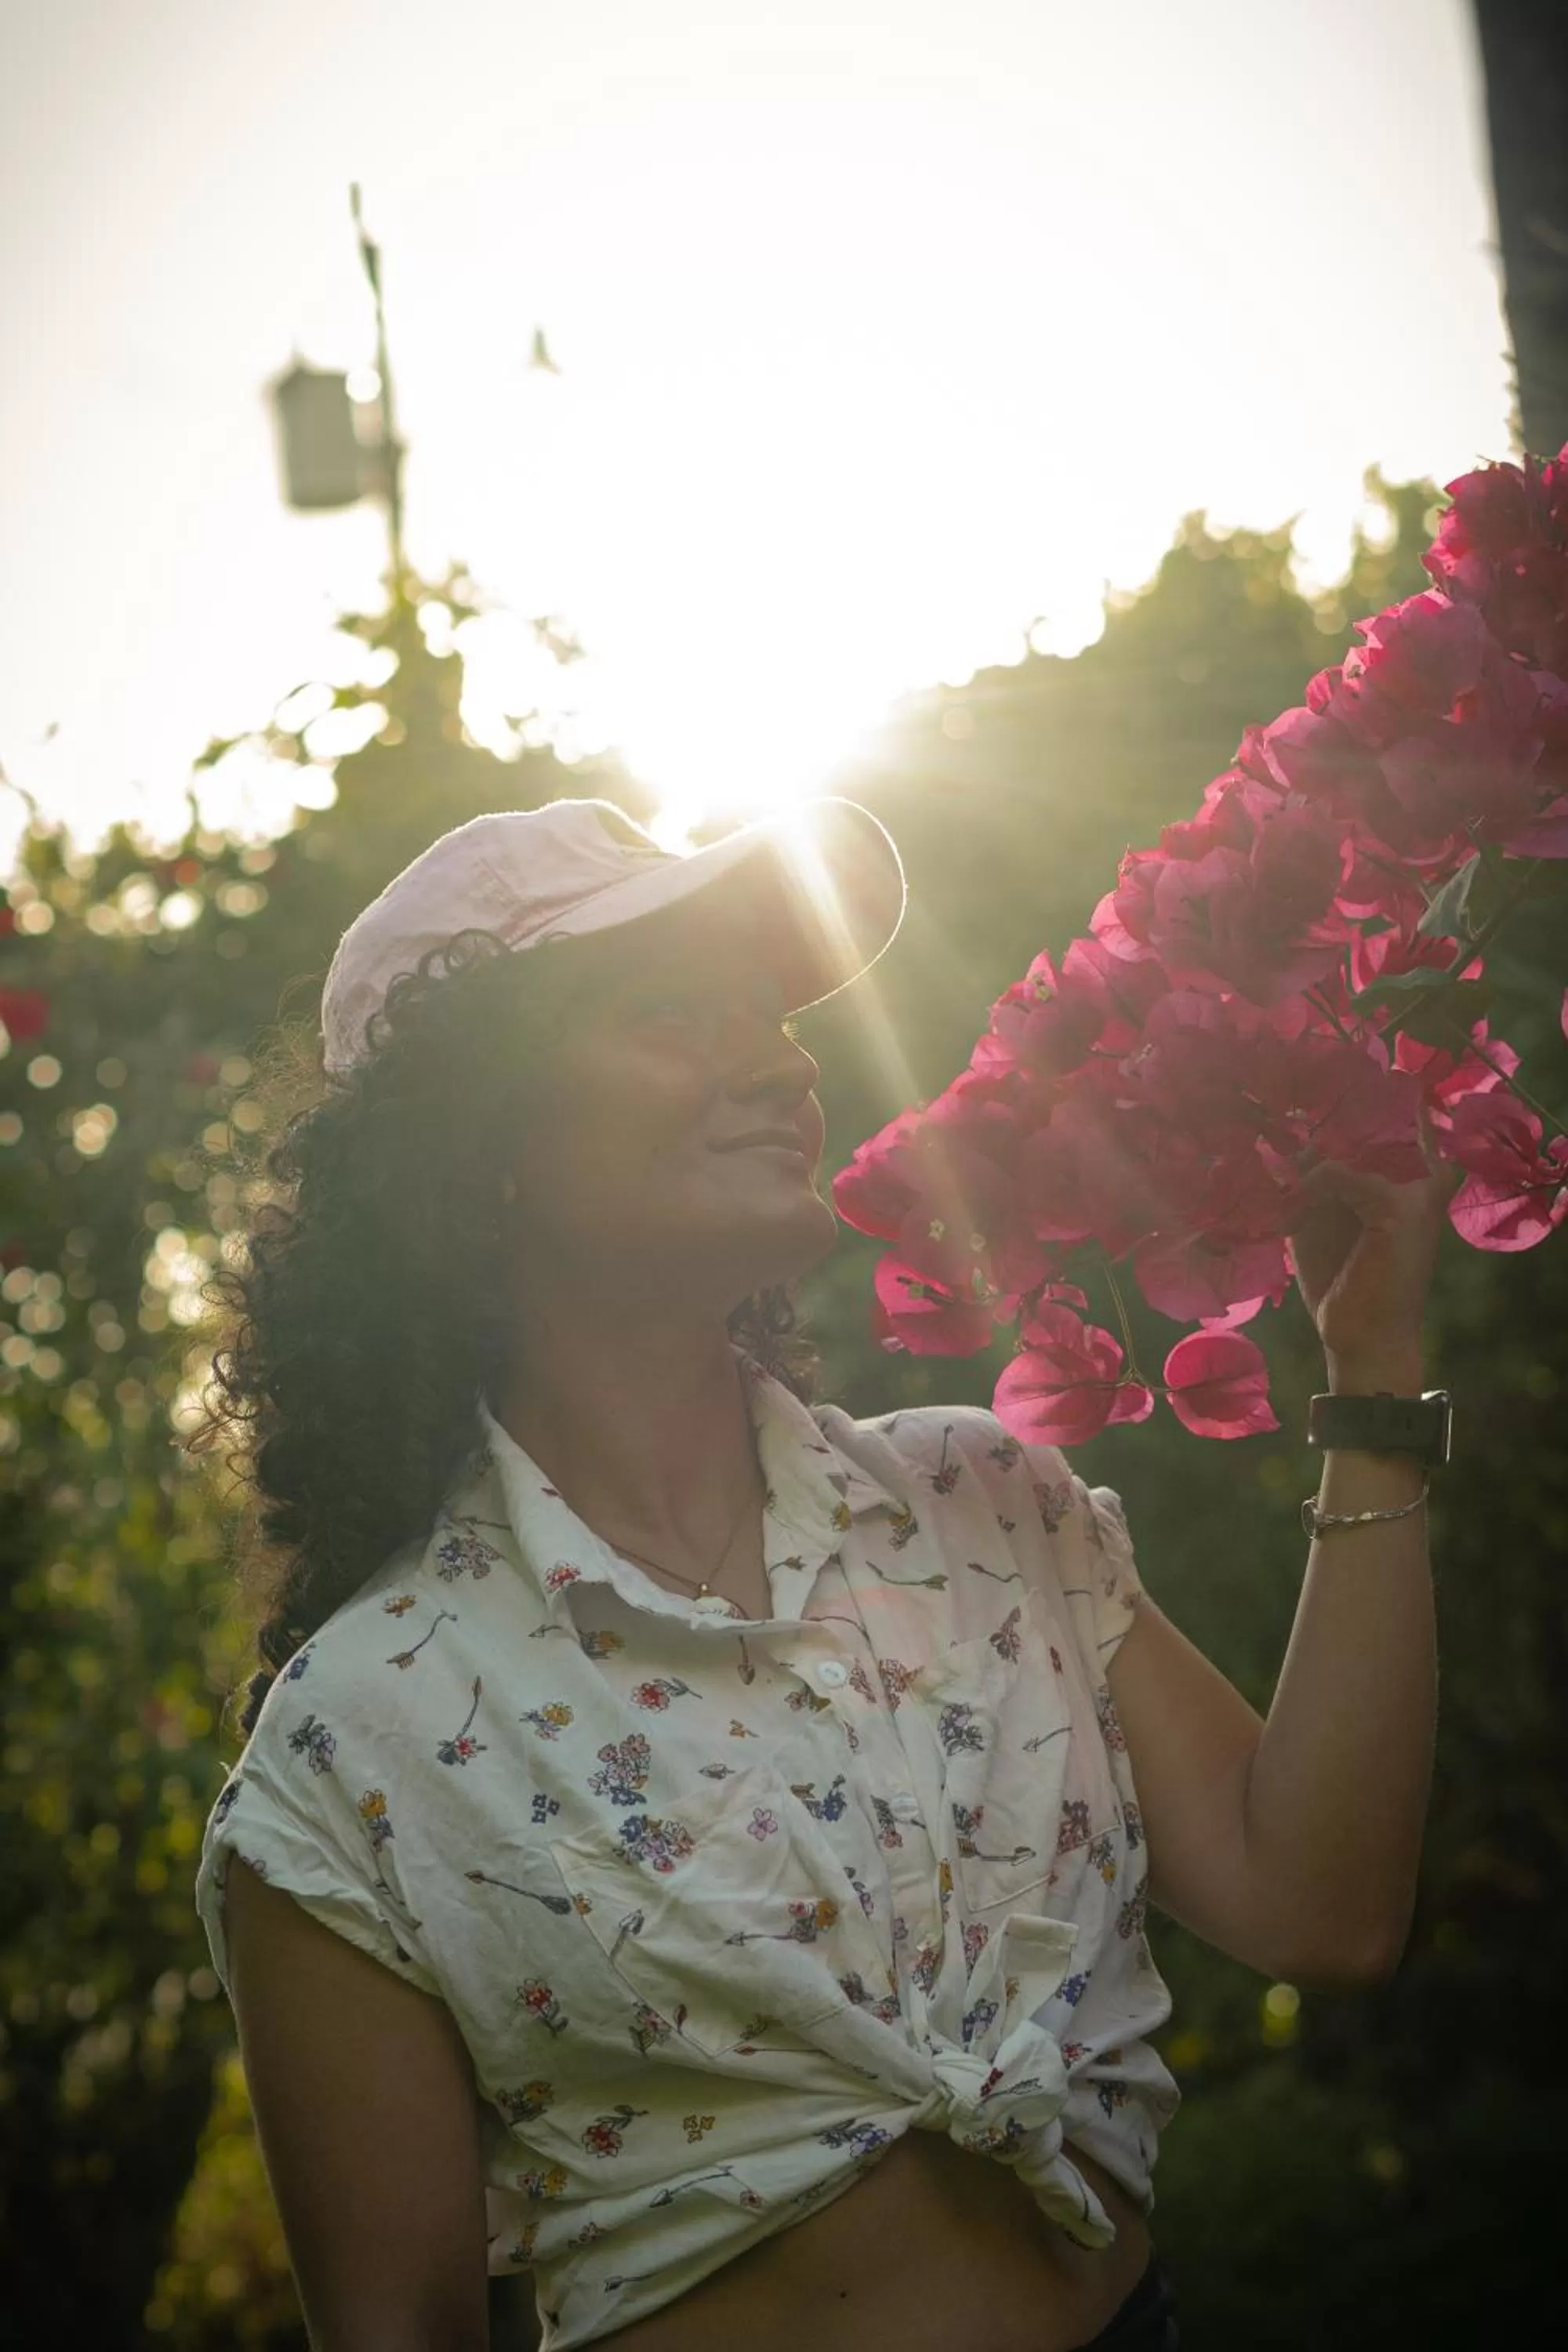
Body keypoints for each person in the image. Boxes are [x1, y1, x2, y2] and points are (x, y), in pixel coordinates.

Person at [193, 793, 1447, 2352]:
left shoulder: (984, 1501)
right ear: (477, 1143)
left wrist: (1372, 1366)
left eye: (773, 1016)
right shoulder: (355, 1747)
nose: (787, 1063)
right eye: (671, 1011)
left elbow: (1319, 1909)